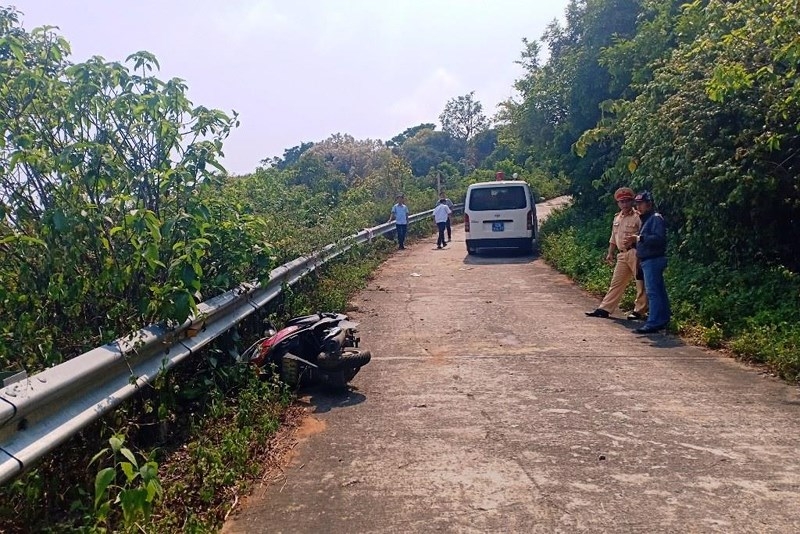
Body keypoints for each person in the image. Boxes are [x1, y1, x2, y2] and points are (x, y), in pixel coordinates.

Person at [585, 187, 648, 320]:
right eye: (621, 202)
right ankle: (605, 308)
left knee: (640, 283)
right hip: (622, 254)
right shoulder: (617, 217)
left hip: (634, 252)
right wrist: (610, 253)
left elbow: (644, 235)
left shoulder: (638, 217)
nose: (624, 204)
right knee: (616, 282)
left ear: (632, 202)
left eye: (627, 201)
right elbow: (613, 237)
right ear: (618, 203)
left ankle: (639, 311)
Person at [624, 191, 670, 334]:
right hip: (647, 260)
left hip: (653, 260)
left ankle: (653, 322)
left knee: (653, 292)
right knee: (659, 291)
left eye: (640, 203)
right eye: (637, 203)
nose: (638, 206)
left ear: (649, 204)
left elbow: (659, 239)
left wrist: (638, 238)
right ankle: (662, 319)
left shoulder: (655, 218)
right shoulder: (646, 219)